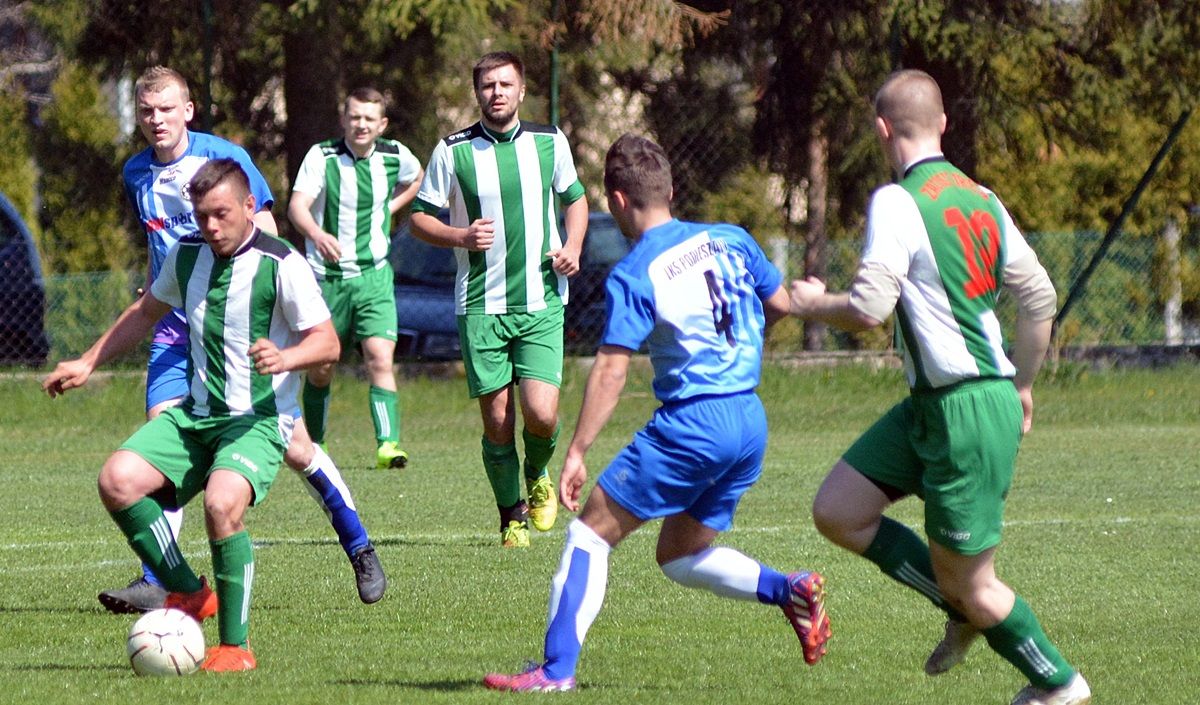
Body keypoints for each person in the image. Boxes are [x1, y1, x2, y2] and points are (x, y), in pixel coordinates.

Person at [483, 134, 830, 692]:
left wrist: (575, 452)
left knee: (590, 536)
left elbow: (613, 371)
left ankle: (554, 671)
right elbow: (781, 304)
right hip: (748, 421)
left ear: (617, 200)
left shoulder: (637, 270)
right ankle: (787, 589)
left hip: (694, 424)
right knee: (679, 553)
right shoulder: (731, 239)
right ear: (669, 189)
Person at [788, 70, 1089, 705]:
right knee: (839, 511)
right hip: (939, 405)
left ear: (881, 130)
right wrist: (1026, 383)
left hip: (965, 410)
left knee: (978, 584)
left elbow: (870, 306)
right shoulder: (982, 197)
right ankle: (956, 608)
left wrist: (812, 304)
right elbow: (1040, 297)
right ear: (944, 123)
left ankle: (1058, 684)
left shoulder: (897, 201)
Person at [100, 66, 385, 614]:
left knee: (298, 447)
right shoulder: (137, 172)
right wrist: (159, 283)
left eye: (165, 109)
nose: (155, 120)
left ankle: (359, 545)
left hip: (241, 325)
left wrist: (276, 312)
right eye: (145, 111)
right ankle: (159, 577)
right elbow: (169, 244)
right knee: (168, 434)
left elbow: (268, 232)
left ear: (188, 110)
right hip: (176, 323)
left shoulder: (222, 159)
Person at [44, 160, 339, 671]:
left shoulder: (283, 262)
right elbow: (144, 314)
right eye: (202, 217)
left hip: (258, 419)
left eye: (221, 214)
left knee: (221, 506)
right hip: (195, 415)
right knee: (117, 480)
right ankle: (188, 592)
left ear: (250, 207)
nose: (211, 227)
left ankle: (234, 647)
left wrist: (287, 358)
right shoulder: (186, 256)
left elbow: (328, 343)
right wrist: (88, 361)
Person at [410, 51, 588, 547]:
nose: (496, 93)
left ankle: (538, 471)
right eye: (488, 85)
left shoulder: (549, 142)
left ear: (522, 90)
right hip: (481, 305)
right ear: (477, 93)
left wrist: (572, 246)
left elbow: (575, 198)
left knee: (543, 413)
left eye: (505, 84)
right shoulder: (452, 151)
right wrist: (460, 237)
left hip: (541, 300)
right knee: (497, 420)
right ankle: (511, 516)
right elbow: (419, 218)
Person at [288, 87, 424, 470]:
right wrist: (316, 234)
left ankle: (388, 446)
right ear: (344, 119)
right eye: (354, 116)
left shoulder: (395, 156)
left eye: (369, 118)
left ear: (381, 124)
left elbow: (419, 178)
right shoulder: (323, 156)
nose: (361, 124)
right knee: (322, 367)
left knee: (380, 357)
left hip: (374, 277)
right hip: (326, 280)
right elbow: (297, 206)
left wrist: (391, 206)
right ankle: (317, 444)